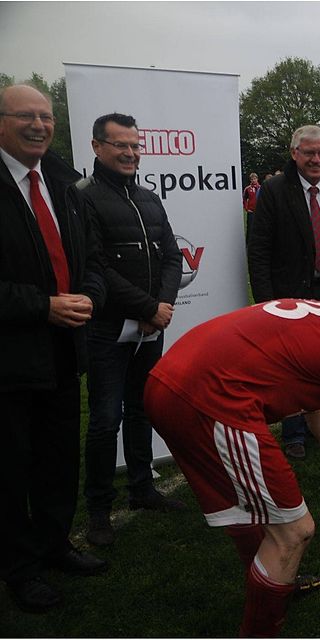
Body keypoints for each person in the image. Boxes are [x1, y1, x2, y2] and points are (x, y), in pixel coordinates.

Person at [143, 264, 320, 637]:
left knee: (254, 511)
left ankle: (274, 581)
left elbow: (318, 418)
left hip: (169, 380)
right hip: (206, 398)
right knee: (295, 531)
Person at [0, 84, 107, 612]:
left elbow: (88, 258)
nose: (39, 125)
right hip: (11, 362)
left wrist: (88, 294)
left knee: (58, 459)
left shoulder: (61, 185)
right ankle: (20, 569)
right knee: (11, 466)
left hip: (64, 353)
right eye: (26, 116)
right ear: (1, 122)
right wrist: (42, 306)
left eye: (46, 116)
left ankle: (55, 544)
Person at [69, 113, 185, 548]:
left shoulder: (150, 198)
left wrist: (163, 305)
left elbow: (172, 256)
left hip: (150, 327)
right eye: (121, 145)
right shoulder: (82, 197)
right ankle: (99, 509)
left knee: (141, 409)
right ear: (97, 147)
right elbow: (92, 266)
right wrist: (149, 307)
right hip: (106, 331)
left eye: (136, 146)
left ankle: (142, 489)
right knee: (104, 420)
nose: (131, 153)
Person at [247, 125, 320, 460]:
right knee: (291, 364)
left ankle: (319, 424)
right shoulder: (274, 190)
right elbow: (259, 249)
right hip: (288, 295)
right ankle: (294, 430)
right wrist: (267, 301)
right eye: (310, 152)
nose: (317, 159)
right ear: (294, 153)